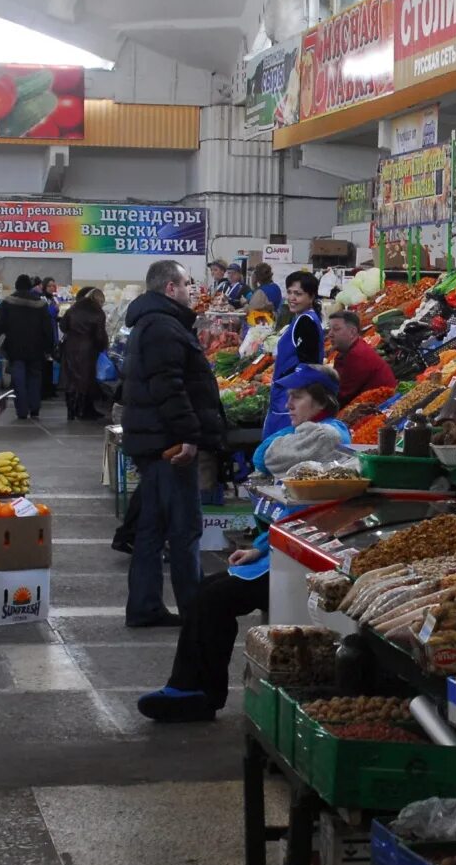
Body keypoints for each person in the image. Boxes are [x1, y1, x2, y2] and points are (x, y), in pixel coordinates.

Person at [139, 365, 349, 722]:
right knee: (209, 591)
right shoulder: (306, 431)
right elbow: (287, 500)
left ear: (321, 401)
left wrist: (274, 446)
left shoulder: (327, 435)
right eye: (289, 395)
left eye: (298, 396)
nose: (289, 402)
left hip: (306, 562)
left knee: (212, 597)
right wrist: (261, 547)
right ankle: (192, 688)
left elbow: (267, 456)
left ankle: (197, 693)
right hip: (284, 547)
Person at [121, 260, 226, 628]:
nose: (191, 289)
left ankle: (146, 606)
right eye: (186, 283)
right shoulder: (163, 326)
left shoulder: (152, 322)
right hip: (168, 446)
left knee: (152, 528)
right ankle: (195, 609)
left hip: (153, 440)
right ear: (170, 288)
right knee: (184, 529)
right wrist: (188, 435)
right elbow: (169, 386)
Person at [261, 270, 323, 439]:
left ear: (311, 297)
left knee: (279, 449)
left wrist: (290, 391)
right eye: (289, 292)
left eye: (298, 294)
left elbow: (307, 365)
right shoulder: (303, 318)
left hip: (289, 399)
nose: (292, 298)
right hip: (289, 396)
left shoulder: (305, 322)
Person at [0, 275, 54, 420]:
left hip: (15, 348)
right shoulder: (40, 304)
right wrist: (49, 348)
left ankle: (21, 411)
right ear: (30, 286)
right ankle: (34, 409)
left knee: (18, 379)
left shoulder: (8, 302)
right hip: (36, 348)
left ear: (16, 285)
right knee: (35, 379)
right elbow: (48, 328)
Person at [60, 287, 110, 421]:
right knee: (86, 380)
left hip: (71, 347)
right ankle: (83, 411)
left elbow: (63, 326)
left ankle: (71, 411)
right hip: (88, 349)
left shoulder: (73, 309)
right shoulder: (98, 313)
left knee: (71, 379)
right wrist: (103, 347)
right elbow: (100, 335)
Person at [326, 309, 393, 405]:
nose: (330, 334)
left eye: (336, 329)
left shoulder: (358, 355)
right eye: (329, 330)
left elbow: (341, 397)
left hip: (383, 406)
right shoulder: (345, 352)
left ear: (352, 332)